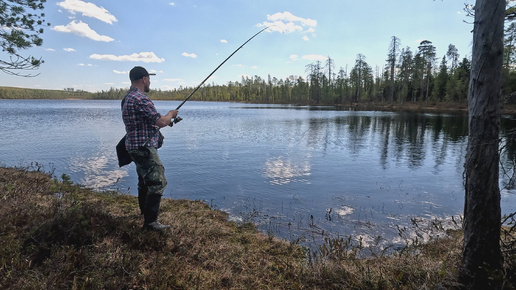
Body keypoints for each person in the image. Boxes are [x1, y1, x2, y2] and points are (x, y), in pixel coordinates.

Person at [121, 66, 178, 231]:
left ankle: (144, 213)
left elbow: (146, 123)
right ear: (144, 79)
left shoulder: (127, 98)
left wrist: (166, 120)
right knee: (158, 182)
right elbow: (160, 121)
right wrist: (170, 115)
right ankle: (150, 223)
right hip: (144, 148)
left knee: (144, 181)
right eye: (149, 79)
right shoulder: (141, 99)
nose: (150, 82)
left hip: (133, 146)